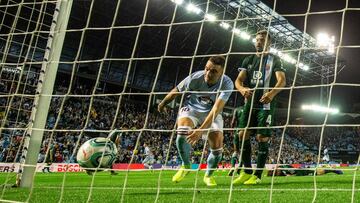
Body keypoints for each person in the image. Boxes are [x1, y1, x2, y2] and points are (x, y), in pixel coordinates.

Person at [158, 55, 234, 186]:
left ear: (222, 73)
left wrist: (201, 130)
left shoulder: (227, 83)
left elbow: (216, 109)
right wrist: (163, 103)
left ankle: (208, 175)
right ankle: (186, 165)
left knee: (217, 147)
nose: (208, 73)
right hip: (192, 108)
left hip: (211, 113)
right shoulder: (196, 77)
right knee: (182, 133)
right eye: (207, 69)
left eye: (214, 71)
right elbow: (177, 90)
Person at [233, 30, 286, 185]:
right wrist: (242, 89)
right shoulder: (247, 60)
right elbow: (238, 81)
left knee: (261, 137)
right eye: (256, 39)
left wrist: (272, 93)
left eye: (262, 39)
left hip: (266, 104)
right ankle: (247, 171)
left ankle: (257, 175)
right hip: (250, 103)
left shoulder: (274, 59)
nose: (258, 42)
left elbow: (282, 81)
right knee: (242, 135)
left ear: (269, 43)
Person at [228, 106, 244, 176]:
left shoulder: (237, 109)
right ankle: (239, 169)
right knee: (243, 152)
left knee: (236, 151)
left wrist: (231, 131)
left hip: (237, 131)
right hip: (245, 131)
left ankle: (232, 167)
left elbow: (233, 121)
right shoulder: (249, 109)